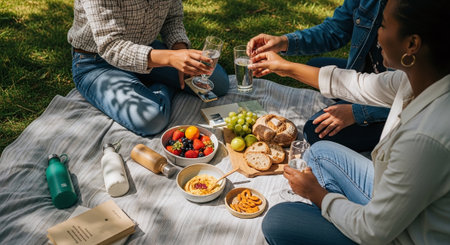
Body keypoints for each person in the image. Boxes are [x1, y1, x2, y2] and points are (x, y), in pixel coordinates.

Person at [248, 0, 450, 243]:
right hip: (388, 199)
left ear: (412, 44)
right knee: (319, 153)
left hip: (400, 236)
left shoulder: (425, 138)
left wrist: (318, 195)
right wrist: (285, 67)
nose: (376, 34)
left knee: (279, 220)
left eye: (383, 26)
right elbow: (354, 84)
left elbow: (372, 231)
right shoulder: (414, 80)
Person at [68, 0, 229, 136]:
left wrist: (179, 50)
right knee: (151, 118)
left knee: (218, 83)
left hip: (147, 51)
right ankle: (161, 85)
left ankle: (148, 83)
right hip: (96, 62)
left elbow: (172, 19)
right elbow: (111, 46)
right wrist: (171, 59)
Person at [246, 0, 389, 152]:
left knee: (315, 132)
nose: (379, 35)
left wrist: (357, 112)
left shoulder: (413, 16)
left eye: (385, 27)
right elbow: (335, 29)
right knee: (316, 64)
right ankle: (346, 100)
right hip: (367, 77)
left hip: (390, 101)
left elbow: (407, 97)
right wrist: (284, 42)